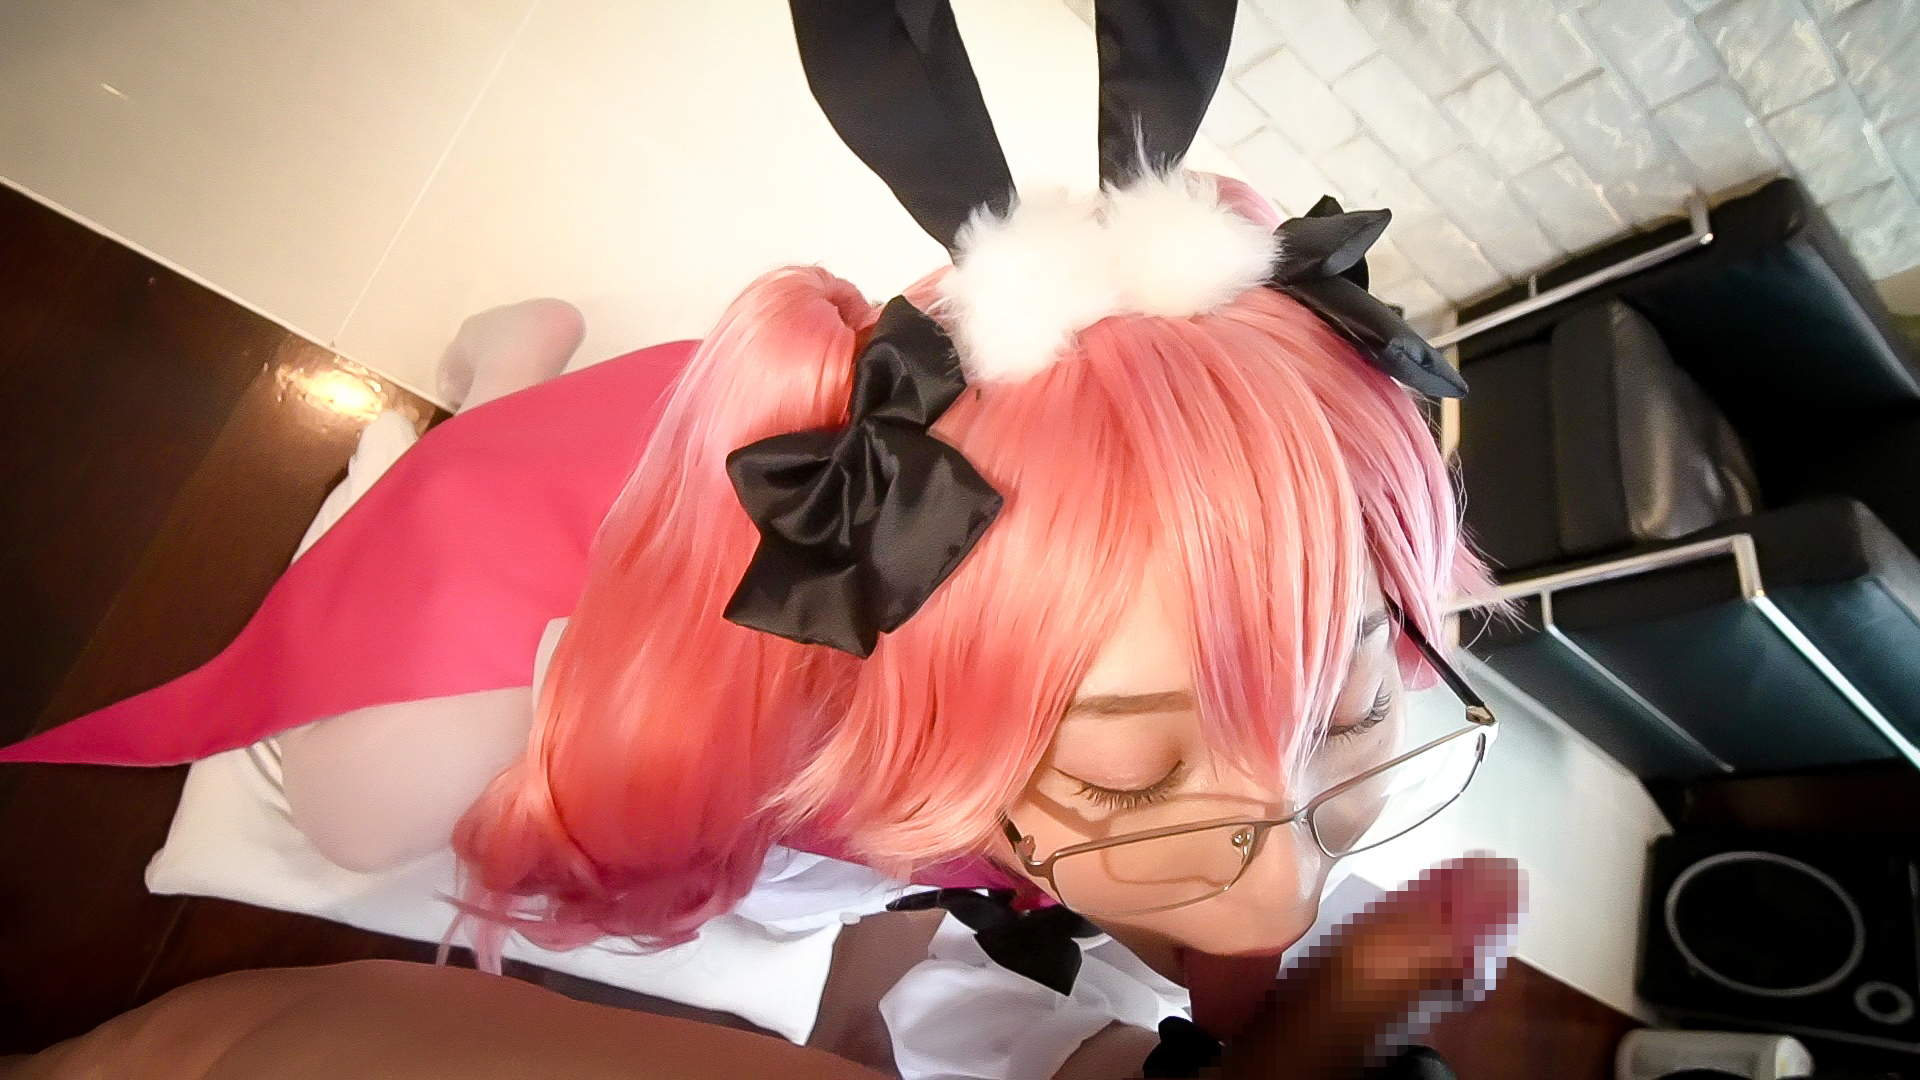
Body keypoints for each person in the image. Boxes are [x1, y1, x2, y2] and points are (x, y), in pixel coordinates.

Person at [0, 2, 1524, 1076]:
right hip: (602, 547)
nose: (1277, 900)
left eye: (1346, 712)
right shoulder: (820, 611)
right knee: (360, 805)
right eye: (1132, 775)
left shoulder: (1191, 702)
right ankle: (500, 387)